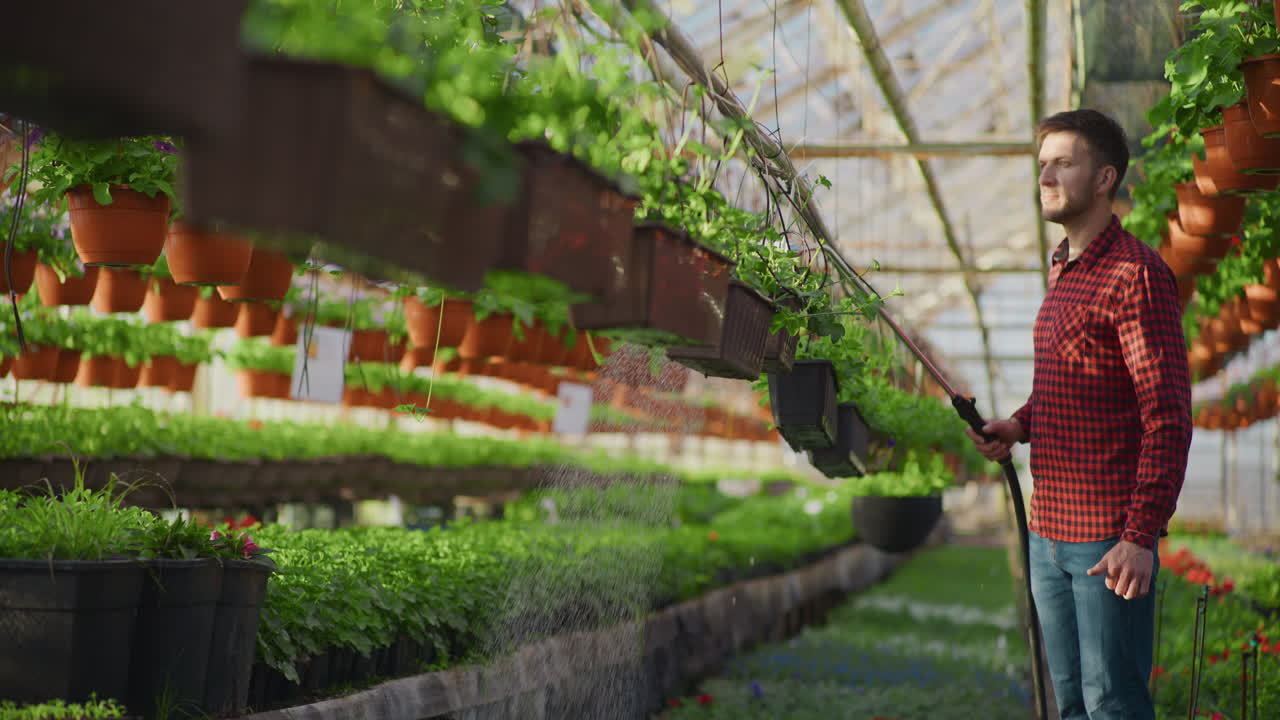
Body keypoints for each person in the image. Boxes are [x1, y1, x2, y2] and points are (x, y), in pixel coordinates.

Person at [966, 109, 1192, 720]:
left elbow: (1166, 414)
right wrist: (1020, 423)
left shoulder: (1135, 275)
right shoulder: (1064, 267)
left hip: (1104, 539)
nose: (1045, 175)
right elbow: (1072, 381)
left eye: (1063, 162)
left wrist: (1140, 535)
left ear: (1103, 179)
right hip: (1048, 532)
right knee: (1070, 704)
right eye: (1042, 164)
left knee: (1112, 704)